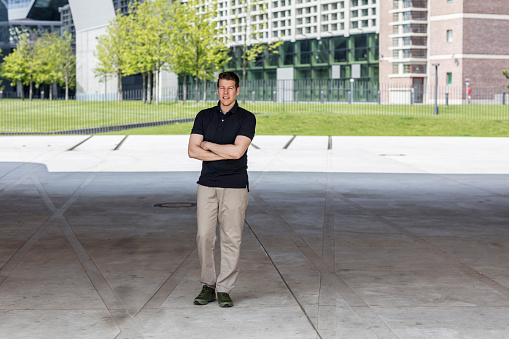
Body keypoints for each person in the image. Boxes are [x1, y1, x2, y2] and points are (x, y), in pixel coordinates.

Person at [188, 71, 256, 307]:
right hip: (207, 185)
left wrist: (207, 146)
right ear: (217, 90)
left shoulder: (247, 118)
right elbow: (192, 151)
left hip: (235, 186)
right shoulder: (204, 116)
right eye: (221, 88)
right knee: (204, 236)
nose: (225, 92)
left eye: (230, 88)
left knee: (231, 238)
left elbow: (238, 152)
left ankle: (225, 289)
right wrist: (224, 152)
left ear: (238, 91)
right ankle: (208, 285)